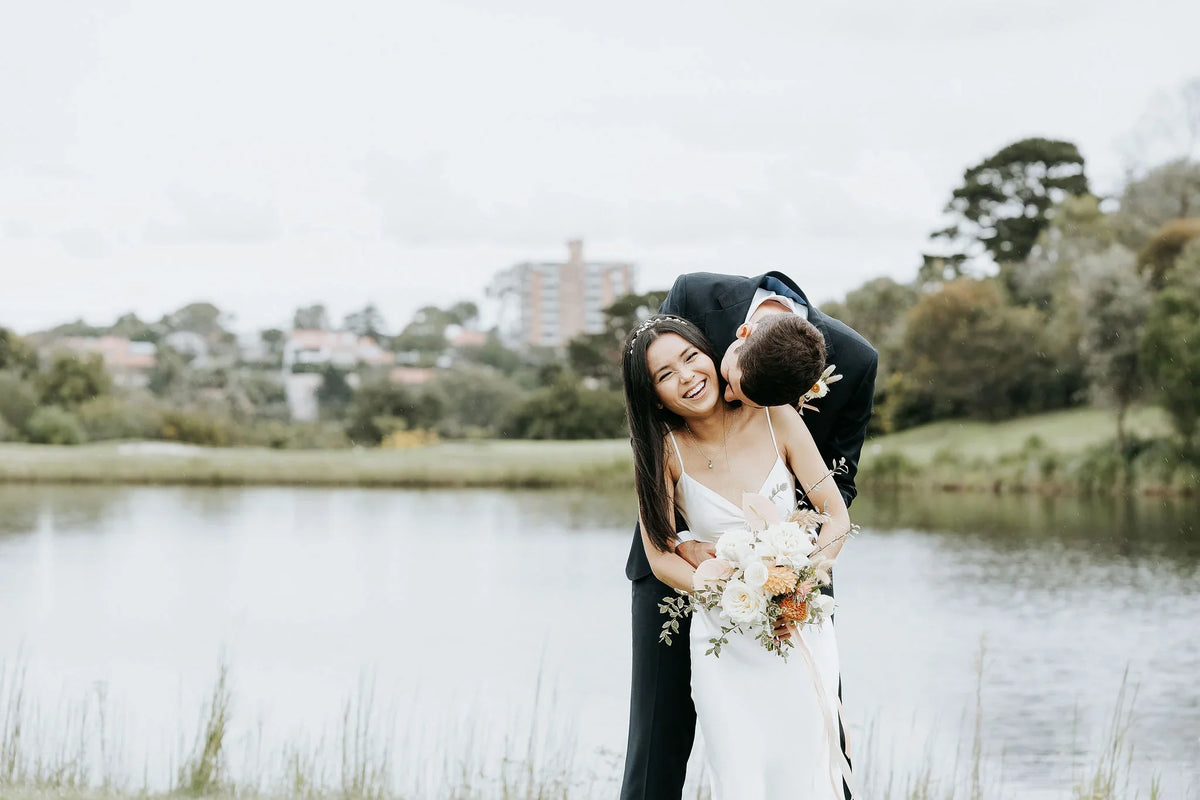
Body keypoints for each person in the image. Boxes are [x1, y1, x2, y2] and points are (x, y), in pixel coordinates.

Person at [620, 272, 877, 800]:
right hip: (690, 581)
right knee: (661, 745)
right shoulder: (694, 301)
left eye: (693, 360)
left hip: (793, 576)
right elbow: (649, 389)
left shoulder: (849, 364)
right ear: (735, 338)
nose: (731, 392)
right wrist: (692, 552)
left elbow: (838, 489)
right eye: (670, 372)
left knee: (818, 749)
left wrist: (795, 571)